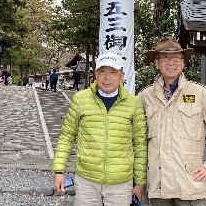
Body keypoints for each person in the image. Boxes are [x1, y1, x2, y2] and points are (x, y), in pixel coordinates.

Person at [139, 37, 206, 206]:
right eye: (164, 57)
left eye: (176, 57)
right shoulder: (145, 97)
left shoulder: (200, 94)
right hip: (158, 188)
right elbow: (137, 140)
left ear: (183, 62)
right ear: (156, 63)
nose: (171, 62)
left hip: (190, 186)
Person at [52, 52, 147, 205]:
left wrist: (140, 182)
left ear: (122, 75)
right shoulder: (81, 99)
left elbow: (140, 144)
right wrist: (59, 171)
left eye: (113, 72)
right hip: (86, 181)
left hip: (121, 183)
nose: (107, 77)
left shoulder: (134, 103)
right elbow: (66, 136)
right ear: (95, 74)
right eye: (102, 71)